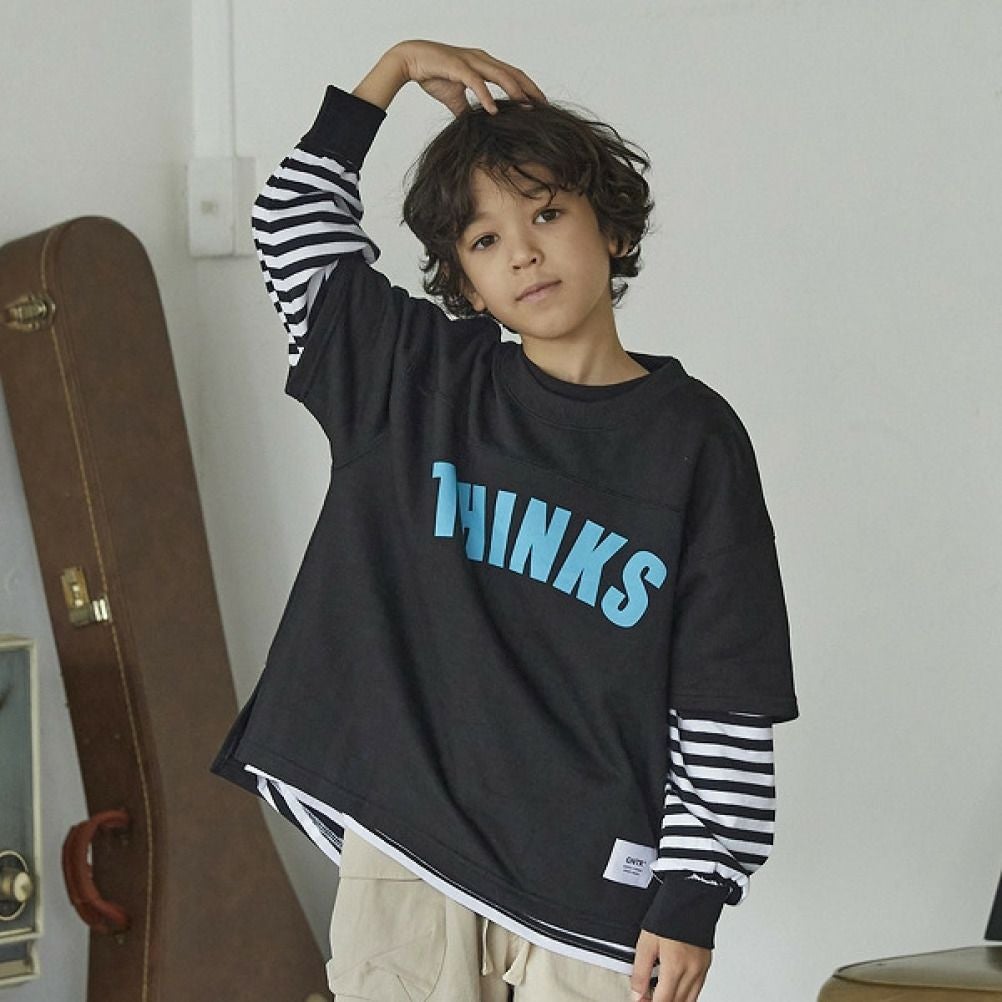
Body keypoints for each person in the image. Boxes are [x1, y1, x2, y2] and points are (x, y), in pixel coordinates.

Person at [210, 39, 798, 1002]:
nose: (522, 250)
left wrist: (695, 891)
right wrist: (396, 68)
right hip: (409, 843)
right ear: (463, 280)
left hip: (593, 878)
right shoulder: (412, 381)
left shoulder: (693, 440)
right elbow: (292, 223)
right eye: (484, 240)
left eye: (547, 213)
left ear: (612, 228)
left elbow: (724, 685)